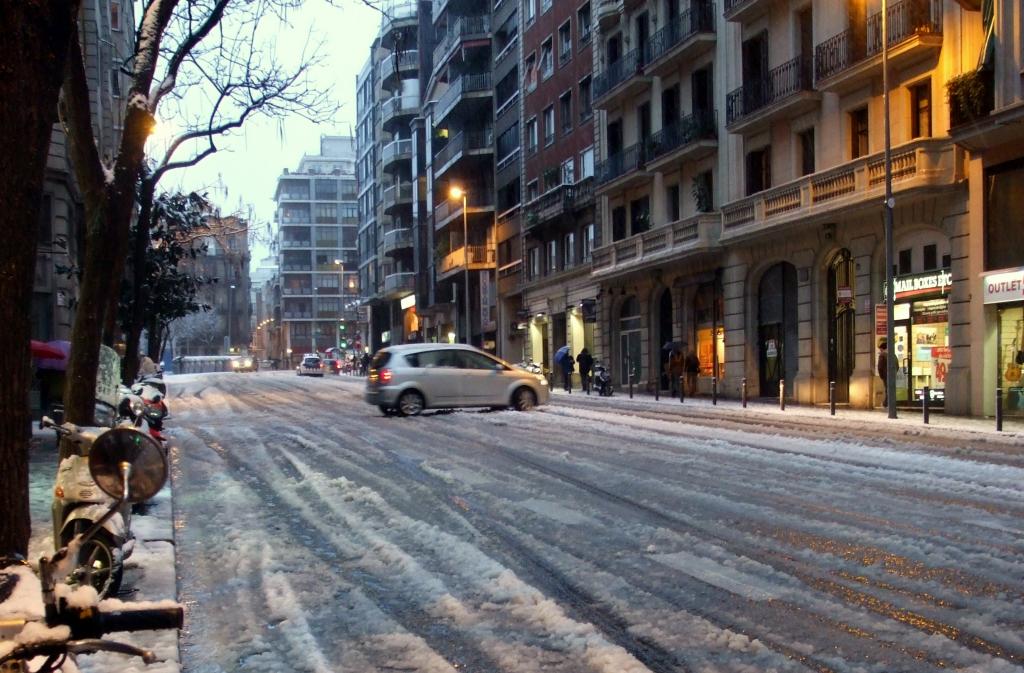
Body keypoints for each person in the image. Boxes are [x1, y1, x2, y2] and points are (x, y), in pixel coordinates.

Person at [877, 339, 888, 407]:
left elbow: (880, 367)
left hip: (885, 375)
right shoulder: (892, 354)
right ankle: (886, 403)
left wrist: (881, 375)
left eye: (880, 349)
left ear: (881, 348)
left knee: (887, 389)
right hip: (891, 374)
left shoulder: (882, 355)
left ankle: (886, 403)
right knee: (889, 389)